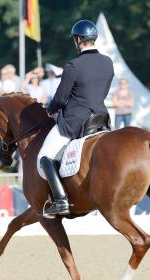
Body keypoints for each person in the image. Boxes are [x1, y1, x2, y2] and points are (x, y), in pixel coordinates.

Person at [39, 19, 114, 218]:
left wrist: (51, 110)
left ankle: (61, 201)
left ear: (79, 39)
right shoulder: (108, 63)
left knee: (45, 157)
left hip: (75, 120)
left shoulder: (73, 65)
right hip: (101, 118)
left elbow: (61, 97)